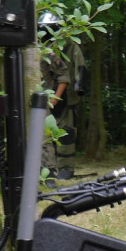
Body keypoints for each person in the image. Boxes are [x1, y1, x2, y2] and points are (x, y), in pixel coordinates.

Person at [39, 12, 85, 180]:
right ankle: (48, 169)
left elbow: (80, 68)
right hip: (45, 97)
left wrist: (80, 85)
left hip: (67, 97)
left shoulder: (71, 46)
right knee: (45, 134)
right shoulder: (40, 49)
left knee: (66, 133)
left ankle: (66, 168)